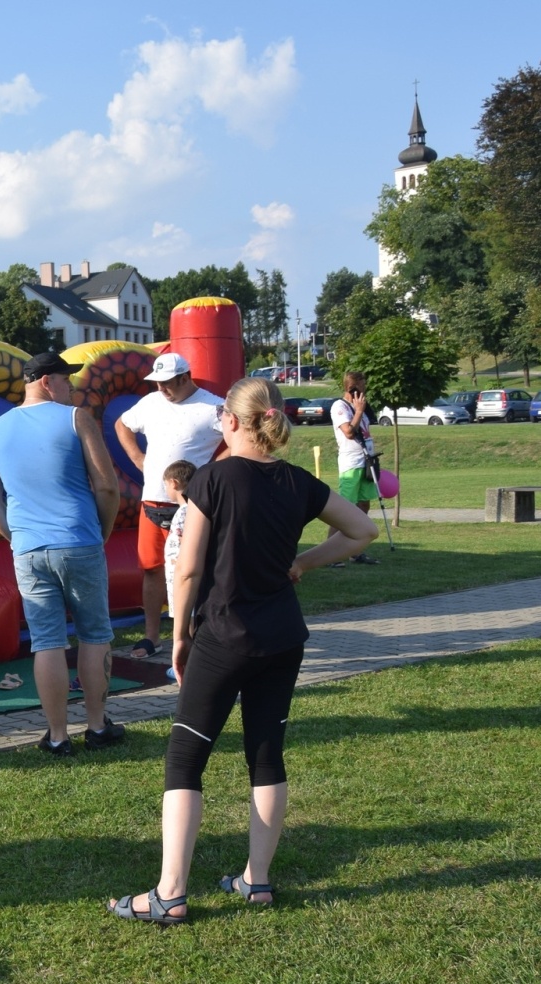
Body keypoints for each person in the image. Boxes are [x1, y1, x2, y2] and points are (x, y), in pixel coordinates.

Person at [107, 378, 377, 925]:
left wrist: (179, 636)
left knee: (186, 757)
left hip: (224, 636)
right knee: (265, 754)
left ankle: (170, 894)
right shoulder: (298, 482)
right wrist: (303, 563)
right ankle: (257, 881)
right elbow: (362, 529)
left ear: (231, 422)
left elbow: (186, 568)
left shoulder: (215, 478)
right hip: (282, 638)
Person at [0, 352, 125, 755]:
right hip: (79, 540)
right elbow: (108, 487)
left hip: (28, 548)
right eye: (67, 381)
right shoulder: (76, 419)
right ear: (47, 382)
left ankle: (57, 736)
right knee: (95, 635)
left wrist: (15, 537)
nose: (72, 389)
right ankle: (96, 726)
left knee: (46, 642)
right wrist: (103, 530)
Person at [115, 353, 225, 660]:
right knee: (151, 569)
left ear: (185, 378)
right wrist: (139, 459)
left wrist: (214, 469)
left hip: (193, 504)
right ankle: (152, 636)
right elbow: (121, 425)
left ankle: (193, 634)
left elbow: (238, 435)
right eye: (158, 383)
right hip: (152, 499)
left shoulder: (213, 406)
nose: (162, 389)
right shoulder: (150, 403)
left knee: (192, 569)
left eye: (168, 383)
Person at [329, 372, 381, 566]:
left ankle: (355, 551)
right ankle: (330, 554)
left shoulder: (360, 407)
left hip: (366, 462)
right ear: (352, 388)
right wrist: (359, 411)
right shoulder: (340, 407)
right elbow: (349, 432)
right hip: (351, 464)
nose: (364, 390)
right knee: (343, 511)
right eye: (361, 386)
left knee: (363, 506)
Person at [160, 459, 198, 617]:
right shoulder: (190, 510)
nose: (165, 490)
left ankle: (188, 639)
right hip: (177, 572)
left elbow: (188, 539)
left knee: (186, 611)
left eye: (165, 486)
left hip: (180, 572)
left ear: (173, 483)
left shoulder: (185, 512)